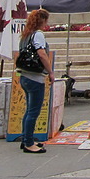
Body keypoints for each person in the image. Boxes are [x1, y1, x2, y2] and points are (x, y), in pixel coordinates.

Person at [16, 9, 54, 154]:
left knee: (28, 110)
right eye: (46, 20)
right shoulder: (38, 35)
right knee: (33, 111)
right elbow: (42, 53)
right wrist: (50, 71)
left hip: (24, 76)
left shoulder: (25, 35)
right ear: (42, 21)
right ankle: (29, 143)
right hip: (35, 77)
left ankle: (27, 138)